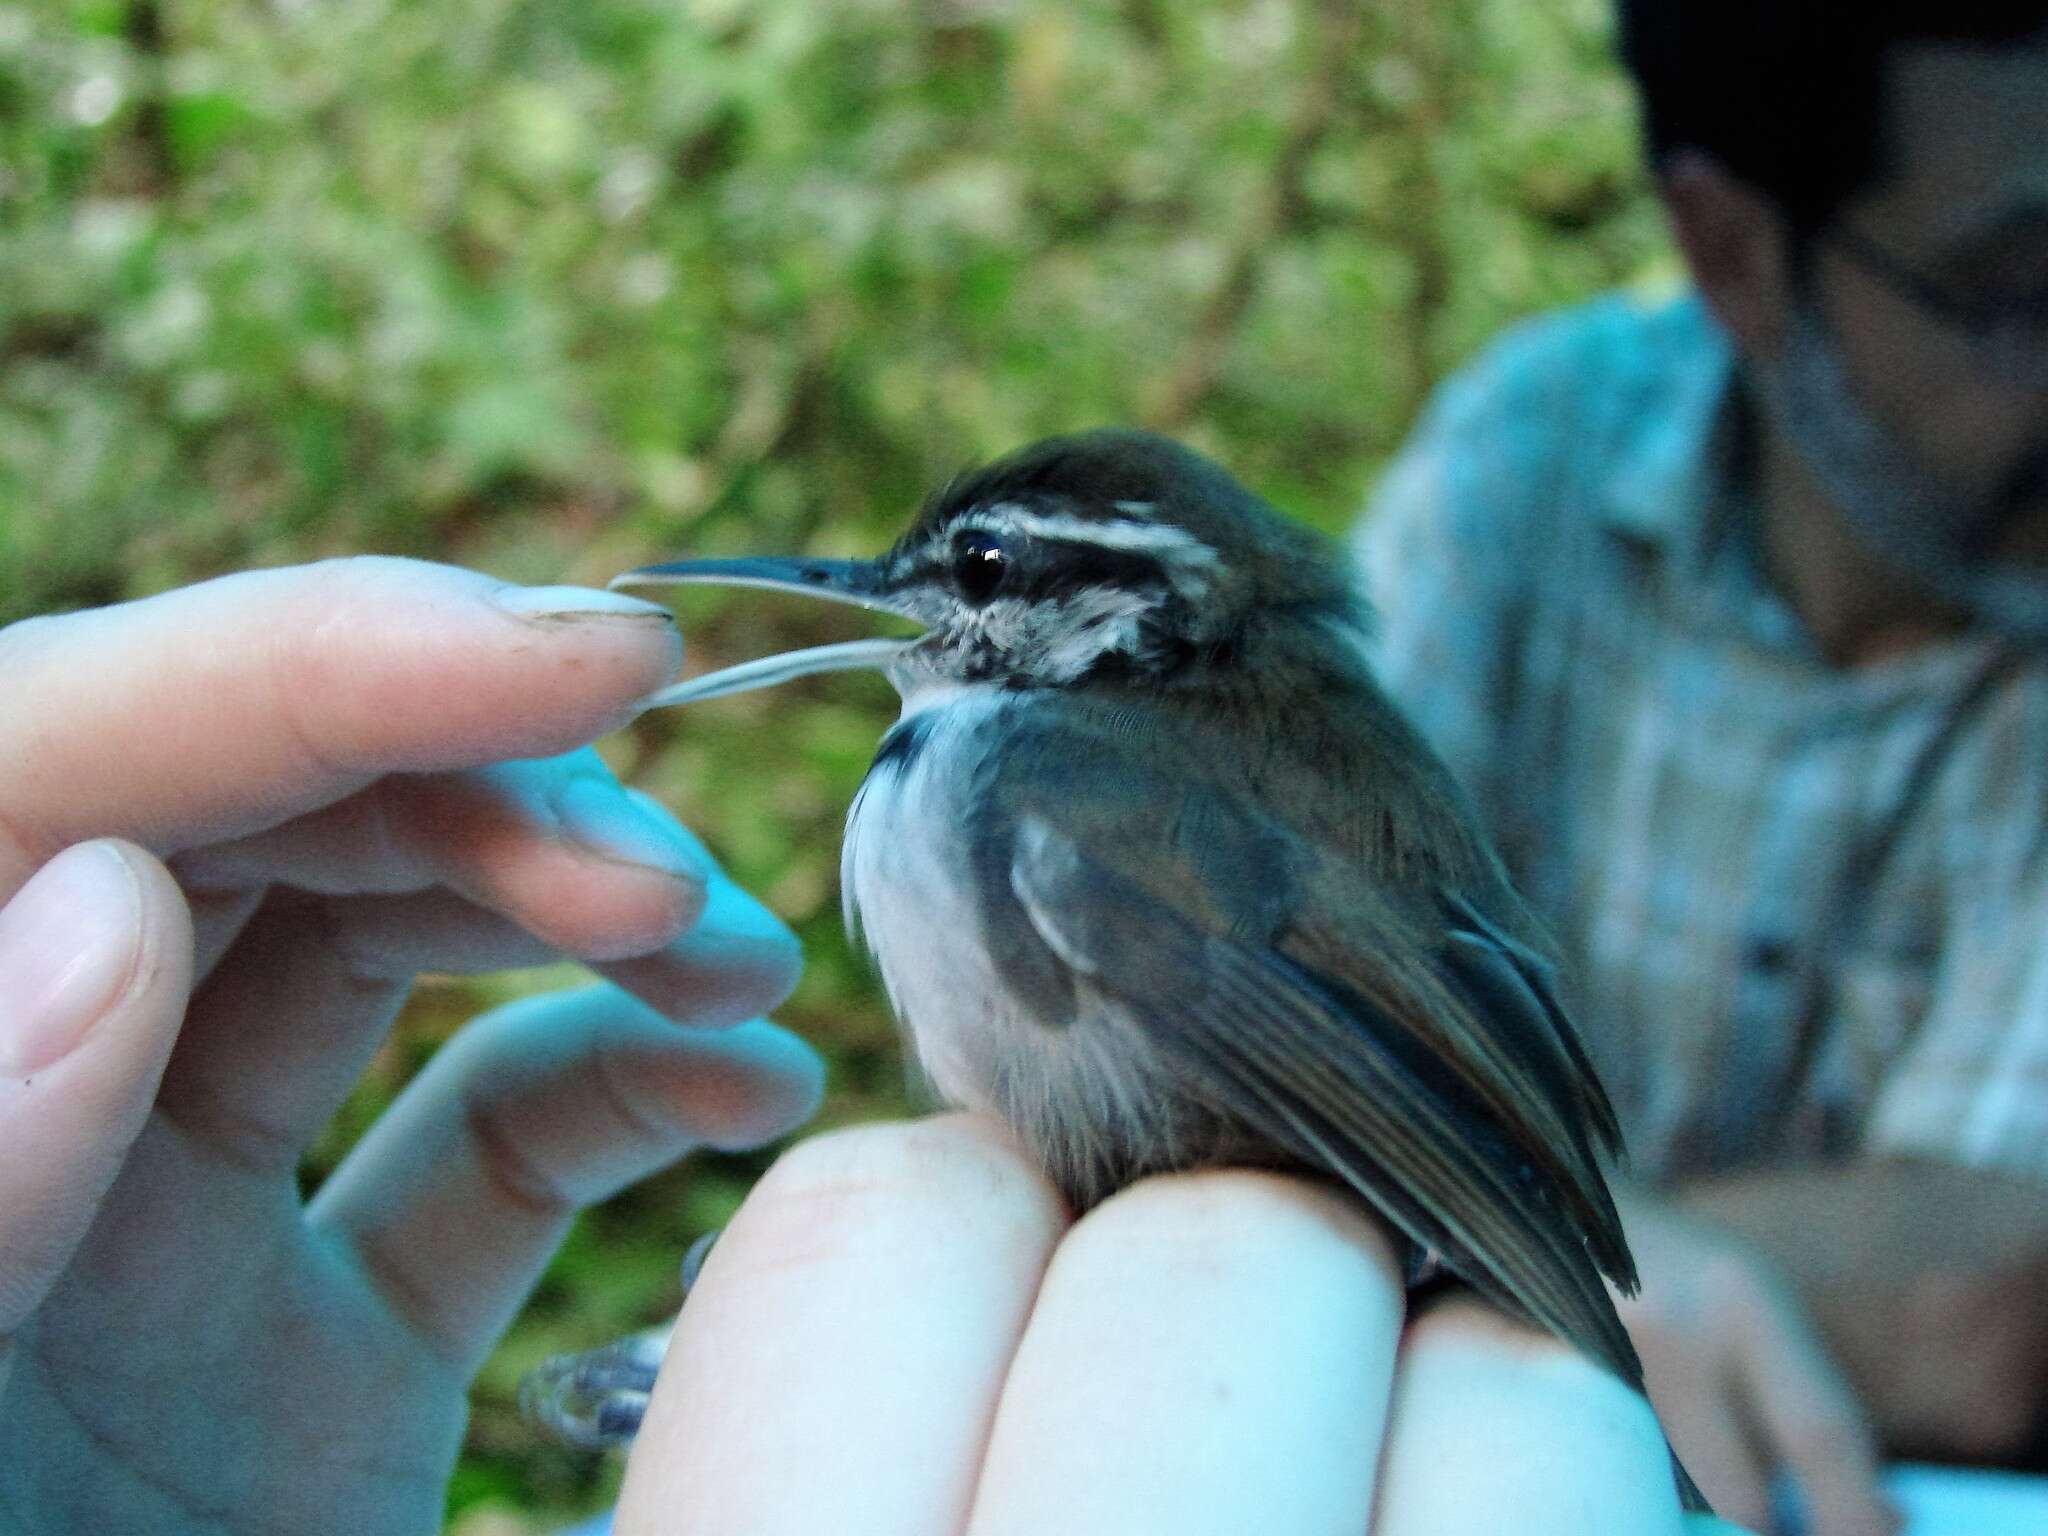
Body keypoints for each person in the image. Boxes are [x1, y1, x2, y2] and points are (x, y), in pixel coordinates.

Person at [0, 556, 1749, 1535]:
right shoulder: (1025, 777)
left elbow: (1393, 1096)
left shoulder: (1056, 779)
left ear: (1124, 620)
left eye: (976, 576)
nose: (896, 600)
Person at [1355, 5, 2048, 1534]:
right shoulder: (1533, 460)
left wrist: (1486, 1251)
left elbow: (2002, 1289)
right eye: (2020, 290)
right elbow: (1275, 979)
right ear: (1734, 254)